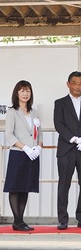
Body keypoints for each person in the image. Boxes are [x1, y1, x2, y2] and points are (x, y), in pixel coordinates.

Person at [54, 71, 81, 230]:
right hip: (67, 149)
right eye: (74, 83)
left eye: (80, 83)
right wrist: (74, 139)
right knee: (64, 184)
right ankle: (62, 219)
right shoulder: (60, 103)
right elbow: (59, 125)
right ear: (68, 84)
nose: (77, 86)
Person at [4, 80, 43, 231]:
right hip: (18, 154)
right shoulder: (12, 112)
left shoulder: (34, 112)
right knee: (15, 187)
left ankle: (20, 221)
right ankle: (18, 221)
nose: (25, 94)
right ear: (17, 93)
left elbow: (40, 133)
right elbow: (9, 134)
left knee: (25, 187)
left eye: (28, 91)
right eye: (22, 91)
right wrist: (25, 147)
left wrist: (38, 147)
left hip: (33, 155)